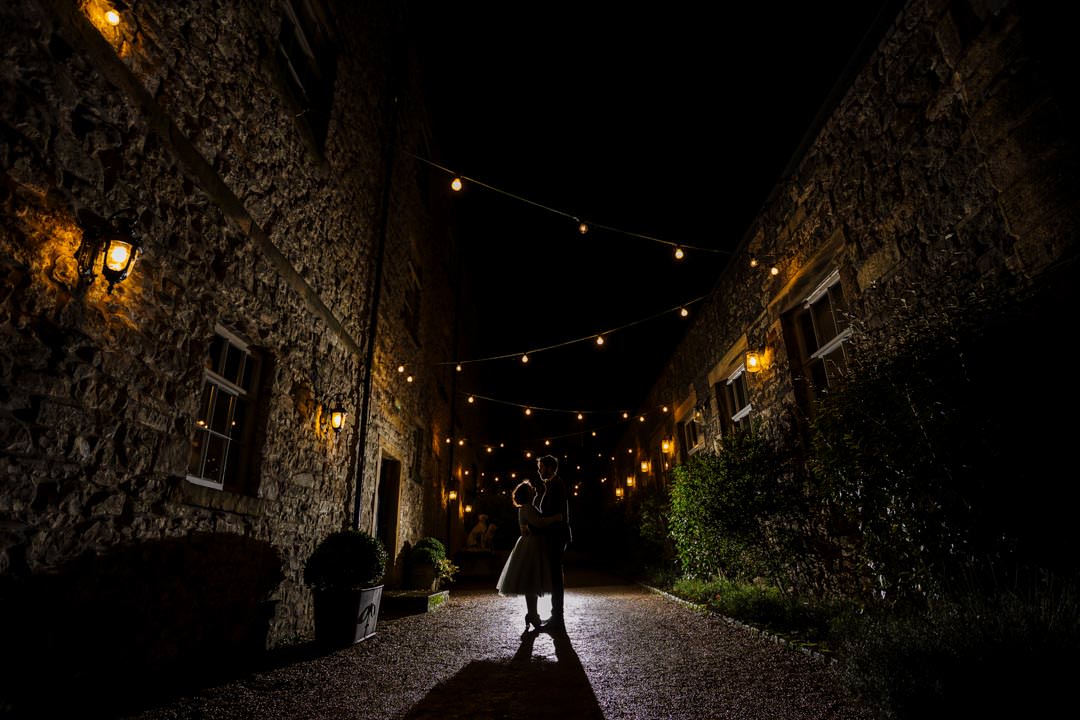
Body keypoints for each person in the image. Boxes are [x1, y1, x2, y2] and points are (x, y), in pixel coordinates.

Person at [495, 481, 563, 631]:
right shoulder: (526, 508)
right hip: (532, 545)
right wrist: (556, 518)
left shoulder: (528, 507)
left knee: (532, 582)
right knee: (531, 581)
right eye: (531, 489)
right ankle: (532, 614)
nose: (534, 489)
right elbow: (538, 523)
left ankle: (532, 614)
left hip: (533, 544)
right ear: (527, 494)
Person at [534, 454, 571, 632]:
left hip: (556, 535)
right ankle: (556, 615)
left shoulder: (557, 484)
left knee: (556, 577)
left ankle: (558, 618)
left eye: (541, 467)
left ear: (549, 467)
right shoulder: (552, 485)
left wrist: (538, 518)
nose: (539, 470)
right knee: (555, 576)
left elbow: (554, 513)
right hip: (554, 535)